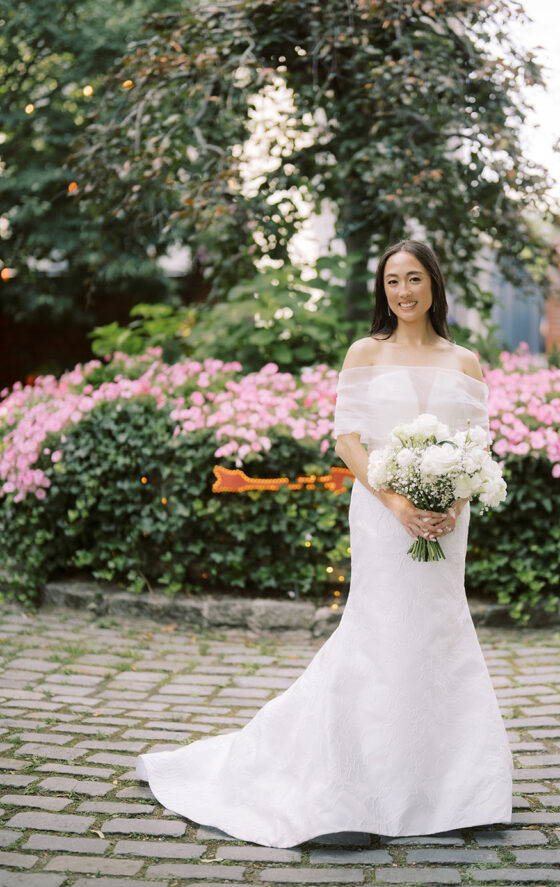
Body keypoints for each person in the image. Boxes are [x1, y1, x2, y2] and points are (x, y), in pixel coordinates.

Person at [135, 238, 513, 847]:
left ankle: (461, 791)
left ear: (434, 285)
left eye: (414, 279)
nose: (404, 292)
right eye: (393, 281)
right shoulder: (366, 352)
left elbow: (476, 446)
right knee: (379, 629)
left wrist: (453, 502)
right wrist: (396, 502)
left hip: (446, 523)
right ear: (381, 291)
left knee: (440, 628)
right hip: (381, 512)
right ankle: (352, 790)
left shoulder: (464, 362)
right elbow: (347, 441)